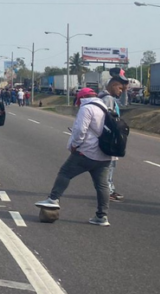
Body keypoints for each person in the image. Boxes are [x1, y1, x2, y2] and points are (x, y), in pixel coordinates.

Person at [35, 87, 118, 226]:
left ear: (81, 99)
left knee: (65, 173)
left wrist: (75, 144)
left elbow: (80, 130)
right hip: (104, 154)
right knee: (102, 186)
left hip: (87, 152)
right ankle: (102, 216)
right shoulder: (105, 107)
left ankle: (53, 199)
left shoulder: (87, 108)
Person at [99, 70, 129, 202]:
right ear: (113, 85)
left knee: (109, 166)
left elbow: (124, 103)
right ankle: (108, 191)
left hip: (109, 137)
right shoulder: (108, 99)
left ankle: (108, 189)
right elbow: (108, 119)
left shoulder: (107, 98)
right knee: (109, 166)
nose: (122, 91)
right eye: (120, 88)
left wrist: (125, 90)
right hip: (110, 138)